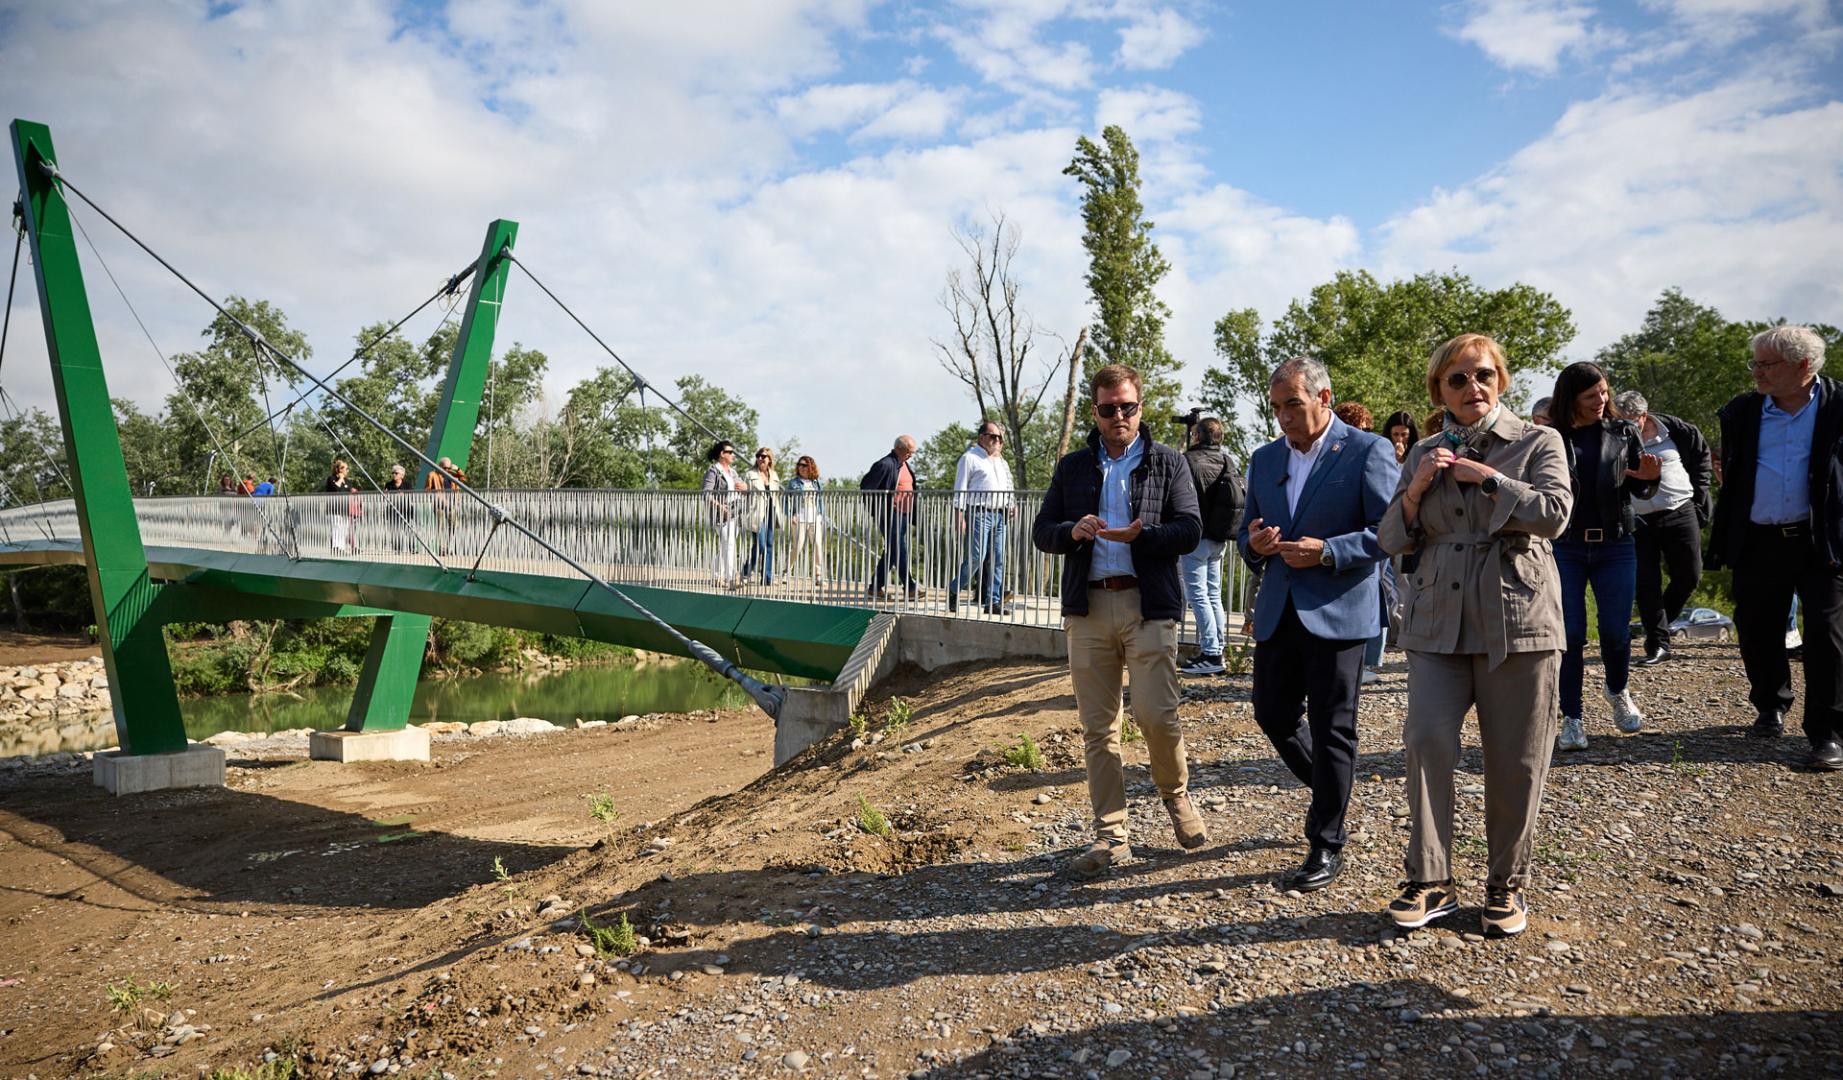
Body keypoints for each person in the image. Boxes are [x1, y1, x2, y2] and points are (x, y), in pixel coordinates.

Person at [1378, 333, 1573, 937]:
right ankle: (1430, 879)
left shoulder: (1538, 440)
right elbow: (1391, 539)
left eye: (1483, 375)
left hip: (1518, 617)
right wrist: (1416, 491)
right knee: (1426, 741)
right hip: (1438, 620)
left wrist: (1488, 478)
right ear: (1438, 389)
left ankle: (1506, 883)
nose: (1472, 387)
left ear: (1501, 380)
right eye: (1457, 379)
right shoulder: (1422, 452)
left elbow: (1555, 515)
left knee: (1516, 756)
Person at [1033, 364, 1208, 877]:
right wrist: (1071, 530)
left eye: (1127, 407)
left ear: (1140, 407)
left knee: (1157, 715)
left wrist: (1142, 536)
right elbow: (1042, 531)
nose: (1118, 416)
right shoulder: (1073, 467)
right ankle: (1111, 835)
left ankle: (1175, 795)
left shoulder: (1168, 462)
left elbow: (1190, 530)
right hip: (1089, 609)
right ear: (1095, 412)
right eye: (1108, 409)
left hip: (1147, 605)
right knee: (1098, 729)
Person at [1237, 357, 1396, 892]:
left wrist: (1328, 550)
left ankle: (1326, 840)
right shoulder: (1264, 458)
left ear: (1324, 398)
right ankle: (1333, 792)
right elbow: (1246, 532)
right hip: (1279, 608)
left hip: (1340, 609)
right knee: (1272, 714)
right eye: (1276, 407)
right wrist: (1255, 545)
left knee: (1333, 728)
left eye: (1293, 404)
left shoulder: (1368, 450)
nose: (1284, 417)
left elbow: (1389, 531)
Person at [1707, 325, 1843, 769]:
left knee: (1827, 635)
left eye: (1766, 364)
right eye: (1756, 363)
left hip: (1822, 540)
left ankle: (1827, 734)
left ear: (1803, 365)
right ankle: (1770, 704)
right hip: (1759, 538)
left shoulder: (1839, 405)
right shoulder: (1742, 411)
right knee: (1758, 627)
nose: (1756, 372)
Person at [1549, 362, 1659, 751]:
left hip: (1616, 544)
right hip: (1566, 546)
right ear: (1570, 398)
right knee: (1571, 634)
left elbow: (1641, 489)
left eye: (1604, 392)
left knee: (1615, 630)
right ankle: (1572, 717)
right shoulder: (1551, 436)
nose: (1601, 400)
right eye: (1590, 395)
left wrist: (1651, 480)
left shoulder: (1624, 431)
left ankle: (1617, 690)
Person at [1613, 391, 1712, 666]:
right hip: (1638, 520)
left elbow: (1701, 459)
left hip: (1680, 510)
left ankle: (1659, 626)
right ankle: (1658, 644)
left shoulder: (1678, 431)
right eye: (1619, 420)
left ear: (1644, 416)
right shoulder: (1612, 438)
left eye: (1631, 421)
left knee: (1689, 576)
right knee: (1646, 583)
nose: (1625, 426)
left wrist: (1700, 498)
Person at [1178, 417, 1243, 675]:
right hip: (1219, 537)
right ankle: (1218, 649)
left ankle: (1211, 653)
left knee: (1197, 596)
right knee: (1213, 594)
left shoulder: (1188, 460)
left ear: (1197, 436)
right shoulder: (1227, 460)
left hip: (1195, 537)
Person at [950, 421, 1016, 615]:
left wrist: (1012, 504)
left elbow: (1008, 484)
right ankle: (954, 589)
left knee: (998, 558)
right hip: (978, 512)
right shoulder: (969, 458)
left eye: (1000, 438)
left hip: (1000, 514)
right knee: (976, 558)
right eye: (993, 436)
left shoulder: (1001, 461)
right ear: (981, 437)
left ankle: (993, 601)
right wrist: (959, 515)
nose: (997, 440)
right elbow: (960, 488)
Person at [861, 436, 923, 600]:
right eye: (909, 452)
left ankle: (875, 587)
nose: (911, 455)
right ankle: (910, 587)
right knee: (898, 548)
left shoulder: (904, 464)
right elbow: (867, 487)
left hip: (903, 514)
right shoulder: (885, 464)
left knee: (892, 550)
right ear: (899, 449)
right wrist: (878, 511)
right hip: (890, 514)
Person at [701, 441, 746, 589]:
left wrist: (745, 487)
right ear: (722, 454)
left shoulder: (732, 472)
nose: (733, 455)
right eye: (730, 452)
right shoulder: (713, 471)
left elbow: (743, 487)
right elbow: (706, 494)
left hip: (735, 513)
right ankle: (731, 578)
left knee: (726, 546)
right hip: (721, 516)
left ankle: (716, 577)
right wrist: (720, 507)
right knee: (730, 545)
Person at [739, 447, 784, 586]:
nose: (760, 458)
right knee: (761, 545)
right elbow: (744, 494)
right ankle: (746, 572)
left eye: (763, 456)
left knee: (769, 545)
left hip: (771, 512)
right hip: (756, 513)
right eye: (758, 456)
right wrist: (745, 490)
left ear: (769, 459)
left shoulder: (774, 475)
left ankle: (767, 578)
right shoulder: (750, 474)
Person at [784, 455, 827, 587]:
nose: (801, 468)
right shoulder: (794, 483)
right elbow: (785, 499)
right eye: (799, 465)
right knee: (798, 546)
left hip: (814, 518)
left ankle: (818, 575)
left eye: (804, 465)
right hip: (800, 518)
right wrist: (791, 514)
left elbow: (820, 500)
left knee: (817, 545)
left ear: (810, 467)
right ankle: (786, 570)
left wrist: (821, 515)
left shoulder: (816, 482)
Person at [324, 458, 359, 554]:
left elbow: (349, 491)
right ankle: (336, 547)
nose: (347, 470)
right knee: (336, 528)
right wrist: (340, 478)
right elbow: (336, 489)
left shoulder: (348, 481)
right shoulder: (331, 479)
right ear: (339, 469)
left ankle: (342, 548)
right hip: (334, 509)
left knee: (344, 529)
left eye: (347, 468)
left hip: (344, 508)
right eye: (345, 468)